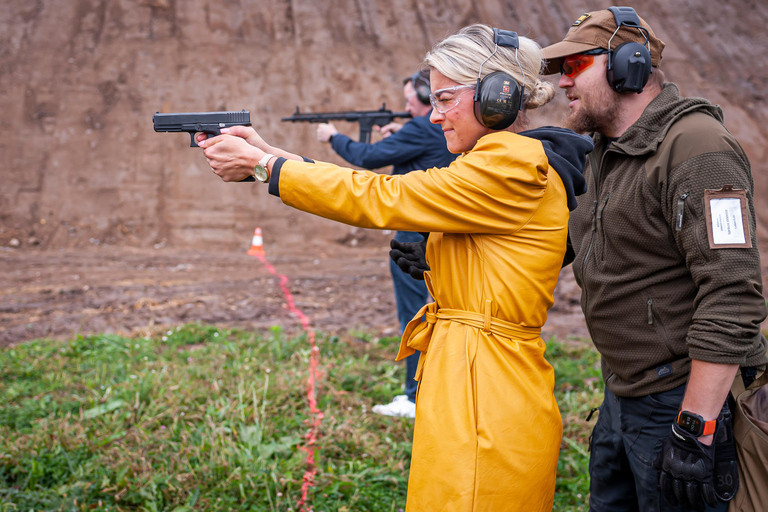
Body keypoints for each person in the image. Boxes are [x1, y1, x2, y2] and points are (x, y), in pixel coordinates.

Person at [195, 23, 592, 511]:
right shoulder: (498, 160)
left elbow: (382, 196)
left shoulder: (510, 165)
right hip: (471, 373)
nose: (435, 116)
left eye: (445, 99)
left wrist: (263, 168)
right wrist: (269, 152)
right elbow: (378, 190)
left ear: (498, 95)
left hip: (484, 385)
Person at [538, 7, 768, 512]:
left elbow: (734, 294)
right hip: (626, 395)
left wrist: (695, 427)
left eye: (575, 67)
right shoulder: (606, 152)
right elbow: (567, 242)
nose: (563, 84)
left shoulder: (697, 148)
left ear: (629, 66)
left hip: (687, 399)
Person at [316, 69, 457, 419]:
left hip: (412, 235)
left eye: (411, 97)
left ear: (427, 97)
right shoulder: (441, 130)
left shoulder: (420, 128)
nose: (407, 104)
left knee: (412, 316)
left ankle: (413, 397)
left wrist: (333, 137)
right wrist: (402, 134)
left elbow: (366, 159)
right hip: (444, 233)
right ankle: (437, 389)